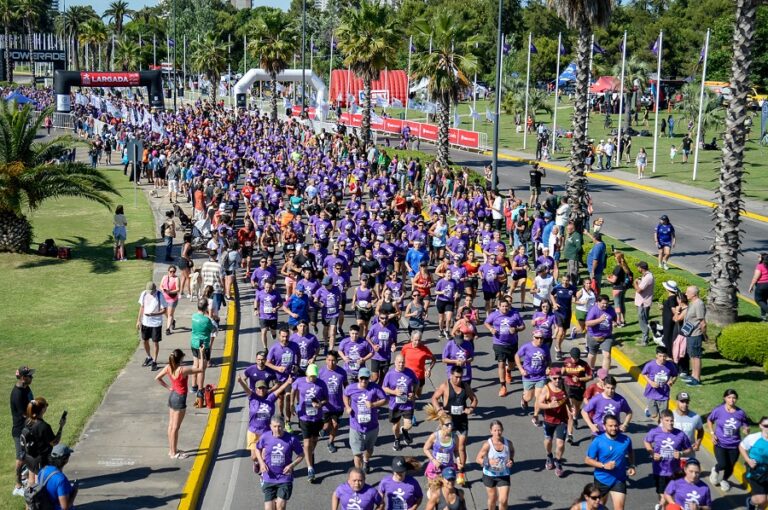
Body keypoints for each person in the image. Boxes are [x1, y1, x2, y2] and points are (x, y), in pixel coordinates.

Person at [430, 366, 477, 485]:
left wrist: (471, 408)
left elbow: (474, 399)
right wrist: (439, 410)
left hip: (461, 421)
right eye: (456, 377)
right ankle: (440, 467)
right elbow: (434, 398)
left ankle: (461, 472)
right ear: (451, 375)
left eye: (460, 377)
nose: (458, 379)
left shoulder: (465, 386)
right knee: (443, 446)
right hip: (447, 421)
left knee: (461, 447)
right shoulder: (445, 386)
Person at [154, 349, 203, 459]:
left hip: (172, 396)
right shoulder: (183, 370)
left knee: (171, 426)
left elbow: (157, 378)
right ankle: (173, 453)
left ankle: (172, 449)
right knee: (175, 428)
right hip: (180, 399)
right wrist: (202, 354)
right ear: (180, 359)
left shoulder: (168, 367)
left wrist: (169, 388)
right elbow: (201, 369)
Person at [236, 374, 293, 466]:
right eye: (259, 388)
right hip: (253, 431)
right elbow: (246, 389)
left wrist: (288, 382)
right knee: (254, 457)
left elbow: (279, 390)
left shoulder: (270, 398)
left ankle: (264, 474)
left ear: (266, 389)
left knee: (264, 455)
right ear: (256, 389)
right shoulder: (252, 397)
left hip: (266, 432)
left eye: (263, 388)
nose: (261, 390)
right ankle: (256, 463)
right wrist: (240, 381)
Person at [584, 414, 636, 510]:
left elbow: (630, 452)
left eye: (616, 425)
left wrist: (632, 465)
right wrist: (604, 465)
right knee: (599, 507)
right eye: (610, 426)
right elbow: (587, 460)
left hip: (619, 479)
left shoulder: (626, 440)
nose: (614, 428)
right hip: (602, 480)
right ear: (604, 426)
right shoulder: (598, 441)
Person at [644, 409, 693, 509]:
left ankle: (662, 506)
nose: (670, 423)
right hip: (660, 470)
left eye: (671, 420)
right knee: (662, 493)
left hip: (674, 471)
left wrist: (681, 453)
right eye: (667, 420)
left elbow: (690, 449)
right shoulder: (655, 432)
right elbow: (646, 441)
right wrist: (652, 453)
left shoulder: (680, 434)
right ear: (661, 420)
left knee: (671, 494)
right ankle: (663, 506)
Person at [254, 416, 305, 510]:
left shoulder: (292, 439)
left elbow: (301, 455)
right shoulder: (265, 437)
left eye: (280, 426)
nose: (277, 429)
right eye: (274, 426)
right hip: (269, 477)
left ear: (284, 426)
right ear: (270, 426)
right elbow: (257, 449)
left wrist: (291, 465)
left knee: (280, 507)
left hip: (284, 477)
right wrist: (261, 463)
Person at [343, 367, 387, 473]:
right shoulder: (351, 388)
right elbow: (345, 395)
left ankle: (366, 460)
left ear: (369, 378)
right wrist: (347, 407)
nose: (364, 381)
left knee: (369, 449)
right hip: (355, 426)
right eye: (362, 378)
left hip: (371, 426)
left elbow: (386, 400)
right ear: (358, 378)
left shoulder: (375, 388)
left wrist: (373, 404)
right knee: (357, 453)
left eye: (366, 378)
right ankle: (359, 475)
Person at [707, 388, 750, 492]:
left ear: (736, 399)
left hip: (735, 445)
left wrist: (746, 429)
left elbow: (745, 425)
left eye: (734, 398)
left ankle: (724, 480)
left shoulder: (740, 413)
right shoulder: (718, 410)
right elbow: (709, 420)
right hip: (720, 443)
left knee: (730, 466)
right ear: (725, 398)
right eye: (729, 397)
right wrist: (712, 433)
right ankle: (716, 469)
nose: (731, 400)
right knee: (722, 464)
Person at [291, 363, 328, 482]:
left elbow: (326, 399)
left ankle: (310, 453)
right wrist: (292, 404)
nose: (313, 378)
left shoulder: (321, 384)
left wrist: (320, 404)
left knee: (314, 441)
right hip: (304, 418)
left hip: (317, 418)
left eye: (315, 376)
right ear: (307, 373)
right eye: (311, 376)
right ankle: (310, 468)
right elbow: (293, 389)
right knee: (306, 443)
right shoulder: (300, 381)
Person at [484, 298, 526, 397]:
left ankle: (509, 371)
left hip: (512, 344)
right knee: (501, 364)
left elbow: (523, 326)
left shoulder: (515, 314)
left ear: (509, 306)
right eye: (502, 306)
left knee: (511, 365)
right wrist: (491, 329)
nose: (504, 308)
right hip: (499, 343)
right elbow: (486, 322)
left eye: (506, 306)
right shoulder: (494, 315)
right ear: (499, 306)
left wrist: (516, 329)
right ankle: (503, 386)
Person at [537, 366, 572, 477]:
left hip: (562, 420)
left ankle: (558, 461)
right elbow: (539, 403)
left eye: (559, 378)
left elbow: (567, 401)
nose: (557, 381)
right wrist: (549, 405)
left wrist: (572, 410)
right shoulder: (546, 389)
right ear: (550, 378)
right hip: (549, 420)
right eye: (555, 378)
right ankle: (549, 456)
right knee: (548, 441)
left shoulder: (564, 387)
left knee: (560, 444)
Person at [21, 396, 64, 485]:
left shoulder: (27, 421)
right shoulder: (43, 426)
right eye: (46, 405)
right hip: (40, 460)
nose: (47, 407)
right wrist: (61, 427)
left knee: (32, 480)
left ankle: (30, 496)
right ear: (42, 409)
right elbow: (54, 442)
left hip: (29, 457)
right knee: (41, 484)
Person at [382, 354, 418, 451]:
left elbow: (416, 382)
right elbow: (384, 388)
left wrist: (413, 393)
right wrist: (394, 392)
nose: (401, 364)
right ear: (395, 363)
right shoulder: (390, 374)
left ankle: (404, 430)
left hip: (407, 404)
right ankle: (397, 439)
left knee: (409, 425)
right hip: (394, 404)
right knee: (395, 425)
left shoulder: (410, 372)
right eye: (399, 362)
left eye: (403, 362)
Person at [476, 420, 514, 510]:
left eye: (499, 430)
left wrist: (511, 460)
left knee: (503, 500)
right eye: (495, 430)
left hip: (504, 474)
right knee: (492, 499)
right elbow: (478, 459)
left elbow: (512, 451)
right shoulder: (487, 445)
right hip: (489, 475)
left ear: (502, 430)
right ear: (491, 431)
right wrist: (488, 462)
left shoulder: (508, 443)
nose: (497, 433)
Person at [266, 328, 299, 432]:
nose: (285, 338)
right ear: (279, 336)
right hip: (278, 378)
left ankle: (288, 422)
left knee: (288, 398)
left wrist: (296, 366)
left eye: (286, 336)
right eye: (283, 336)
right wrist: (277, 368)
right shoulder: (274, 348)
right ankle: (281, 414)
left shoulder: (294, 346)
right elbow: (267, 362)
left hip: (290, 377)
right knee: (280, 400)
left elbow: (299, 356)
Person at [516, 329, 551, 421]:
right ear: (533, 337)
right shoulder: (527, 347)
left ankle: (535, 415)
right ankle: (524, 399)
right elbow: (517, 356)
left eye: (541, 338)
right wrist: (521, 369)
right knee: (529, 397)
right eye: (537, 338)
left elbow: (549, 360)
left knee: (539, 397)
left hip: (541, 376)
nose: (539, 340)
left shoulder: (545, 347)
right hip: (528, 376)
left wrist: (548, 368)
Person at [11, 365, 34, 496]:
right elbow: (24, 414)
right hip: (20, 430)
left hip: (27, 427)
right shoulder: (17, 394)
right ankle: (18, 485)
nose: (32, 377)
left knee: (28, 454)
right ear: (23, 377)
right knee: (21, 457)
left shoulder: (26, 388)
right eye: (30, 375)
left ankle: (25, 478)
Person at [319, 351, 347, 453]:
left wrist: (349, 399)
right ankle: (323, 428)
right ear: (326, 360)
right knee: (326, 425)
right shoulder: (321, 372)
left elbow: (346, 386)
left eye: (333, 361)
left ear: (337, 361)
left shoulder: (342, 372)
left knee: (335, 425)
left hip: (338, 405)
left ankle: (330, 442)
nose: (331, 363)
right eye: (329, 360)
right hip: (325, 405)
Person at [562, 348, 592, 445]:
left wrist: (579, 379)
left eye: (577, 358)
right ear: (570, 356)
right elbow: (562, 371)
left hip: (579, 388)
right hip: (568, 387)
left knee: (577, 406)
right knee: (571, 410)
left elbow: (590, 376)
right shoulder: (566, 362)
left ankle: (575, 418)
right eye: (574, 358)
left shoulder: (584, 364)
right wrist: (561, 372)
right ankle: (570, 435)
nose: (575, 360)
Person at [641, 346, 678, 421]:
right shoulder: (650, 365)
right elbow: (644, 374)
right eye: (660, 356)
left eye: (664, 356)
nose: (662, 358)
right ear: (656, 355)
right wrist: (651, 382)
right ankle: (649, 410)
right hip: (651, 393)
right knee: (654, 415)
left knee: (663, 418)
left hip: (664, 394)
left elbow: (675, 375)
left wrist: (672, 381)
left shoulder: (670, 365)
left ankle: (661, 430)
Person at [136, 281, 167, 371]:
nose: (150, 293)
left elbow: (164, 310)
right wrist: (138, 320)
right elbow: (142, 307)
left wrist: (153, 314)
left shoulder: (159, 295)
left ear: (155, 289)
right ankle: (149, 357)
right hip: (146, 322)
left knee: (155, 342)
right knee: (144, 340)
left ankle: (154, 361)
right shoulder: (144, 294)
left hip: (156, 323)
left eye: (151, 292)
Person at [36, 444, 78, 510]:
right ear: (65, 459)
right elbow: (65, 507)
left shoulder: (43, 470)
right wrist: (74, 492)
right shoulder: (61, 479)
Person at [679, 285, 706, 386]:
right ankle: (693, 375)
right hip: (690, 333)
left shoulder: (699, 304)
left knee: (696, 356)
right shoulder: (692, 303)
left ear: (694, 294)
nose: (685, 294)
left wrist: (704, 335)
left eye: (687, 292)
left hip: (696, 334)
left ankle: (697, 378)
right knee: (692, 355)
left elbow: (702, 322)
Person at [740, 415, 768, 510]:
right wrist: (748, 460)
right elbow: (742, 446)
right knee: (761, 499)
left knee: (765, 502)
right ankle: (751, 502)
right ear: (760, 426)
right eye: (766, 426)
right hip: (755, 470)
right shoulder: (754, 438)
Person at [190, 299, 217, 396]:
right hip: (203, 345)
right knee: (202, 367)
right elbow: (213, 329)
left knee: (195, 364)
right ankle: (200, 389)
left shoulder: (193, 316)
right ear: (206, 308)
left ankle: (194, 386)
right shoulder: (206, 320)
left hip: (194, 343)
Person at [584, 295, 617, 372]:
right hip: (593, 337)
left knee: (607, 355)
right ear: (598, 302)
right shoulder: (593, 310)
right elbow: (587, 323)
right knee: (592, 354)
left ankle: (604, 375)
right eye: (603, 303)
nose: (605, 305)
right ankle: (591, 369)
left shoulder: (610, 309)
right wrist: (599, 320)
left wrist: (614, 322)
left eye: (606, 303)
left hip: (606, 337)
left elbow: (614, 317)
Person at [401, 331, 436, 402]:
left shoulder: (424, 349)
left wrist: (429, 369)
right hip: (407, 375)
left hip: (420, 376)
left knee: (418, 395)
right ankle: (405, 408)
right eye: (415, 340)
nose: (417, 342)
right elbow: (401, 359)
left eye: (419, 340)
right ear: (411, 339)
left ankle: (412, 400)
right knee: (406, 395)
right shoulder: (405, 348)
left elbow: (433, 360)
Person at [160, 265, 181, 335]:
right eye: (171, 271)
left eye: (174, 271)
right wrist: (163, 289)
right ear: (168, 271)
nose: (172, 273)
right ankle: (172, 321)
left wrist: (170, 292)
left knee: (170, 314)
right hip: (164, 298)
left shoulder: (176, 279)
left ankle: (167, 329)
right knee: (165, 312)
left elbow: (178, 289)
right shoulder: (164, 277)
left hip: (172, 299)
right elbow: (161, 286)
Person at [748, 253, 768, 321]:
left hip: (761, 286)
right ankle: (763, 317)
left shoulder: (760, 266)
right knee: (764, 300)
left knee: (758, 300)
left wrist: (751, 286)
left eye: (759, 256)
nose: (757, 257)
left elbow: (755, 278)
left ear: (762, 258)